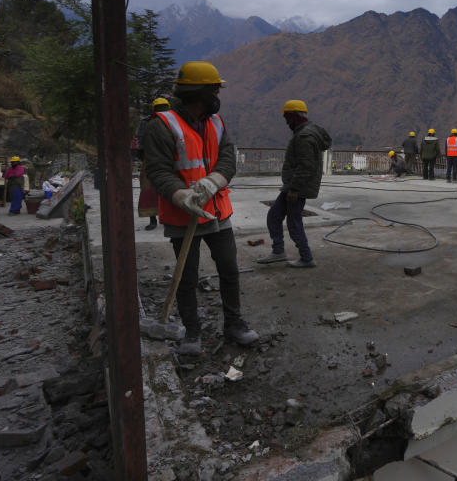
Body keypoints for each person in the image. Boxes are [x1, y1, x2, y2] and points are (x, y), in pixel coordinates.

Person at [143, 61, 259, 355]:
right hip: (184, 215)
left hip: (218, 210)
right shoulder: (163, 125)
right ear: (200, 92)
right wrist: (182, 195)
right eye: (215, 88)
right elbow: (157, 171)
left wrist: (212, 183)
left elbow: (228, 158)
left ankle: (234, 324)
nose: (219, 93)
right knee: (186, 275)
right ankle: (192, 332)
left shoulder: (217, 123)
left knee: (229, 269)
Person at [257, 100, 331, 268]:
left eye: (288, 118)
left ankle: (306, 257)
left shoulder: (304, 136)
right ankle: (278, 251)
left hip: (296, 188)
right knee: (275, 216)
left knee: (293, 222)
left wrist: (295, 189)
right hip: (293, 186)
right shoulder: (303, 133)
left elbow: (306, 165)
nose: (287, 122)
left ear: (296, 117)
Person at [135, 98, 171, 230]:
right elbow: (139, 141)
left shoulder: (172, 122)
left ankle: (164, 218)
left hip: (165, 159)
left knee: (167, 188)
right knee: (150, 189)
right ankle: (153, 218)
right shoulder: (146, 123)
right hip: (153, 159)